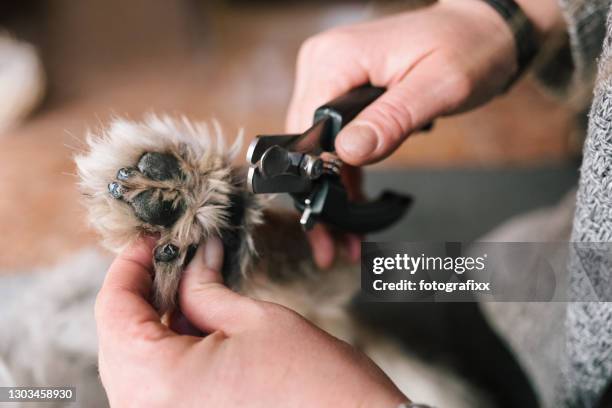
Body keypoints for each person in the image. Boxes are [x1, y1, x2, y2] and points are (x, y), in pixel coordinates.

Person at [96, 0, 612, 406]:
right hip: (546, 269)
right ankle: (266, 260)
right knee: (387, 273)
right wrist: (511, 16)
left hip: (553, 357)